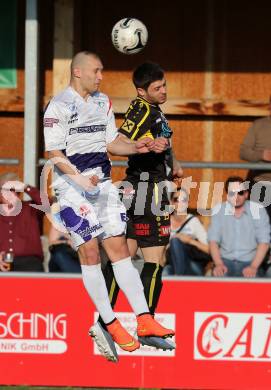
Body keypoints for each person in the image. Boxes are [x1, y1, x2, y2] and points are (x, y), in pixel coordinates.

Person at [43, 51, 175, 363]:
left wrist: (139, 146)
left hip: (102, 185)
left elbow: (111, 141)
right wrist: (78, 180)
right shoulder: (59, 104)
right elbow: (53, 151)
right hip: (71, 188)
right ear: (78, 72)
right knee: (90, 253)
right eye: (96, 71)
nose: (101, 77)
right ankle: (110, 324)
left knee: (119, 251)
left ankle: (143, 318)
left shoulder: (103, 101)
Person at [96, 62, 182, 351]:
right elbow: (119, 140)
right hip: (149, 190)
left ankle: (104, 324)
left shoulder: (154, 110)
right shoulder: (142, 109)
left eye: (164, 85)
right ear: (141, 90)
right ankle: (146, 325)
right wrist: (142, 145)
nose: (163, 91)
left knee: (125, 258)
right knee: (155, 259)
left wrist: (174, 163)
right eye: (157, 88)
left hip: (138, 188)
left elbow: (163, 143)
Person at [208, 176, 270, 277]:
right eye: (232, 193)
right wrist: (219, 264)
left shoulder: (258, 210)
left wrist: (253, 267)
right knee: (216, 283)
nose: (236, 196)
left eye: (240, 193)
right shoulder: (219, 210)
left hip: (251, 261)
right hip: (224, 261)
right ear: (227, 194)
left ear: (246, 194)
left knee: (255, 287)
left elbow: (264, 242)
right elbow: (213, 241)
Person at [0, 173, 44, 272]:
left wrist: (25, 187)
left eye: (12, 190)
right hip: (3, 262)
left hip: (30, 262)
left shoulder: (31, 208)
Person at [163, 188, 210, 276]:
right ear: (171, 203)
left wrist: (189, 241)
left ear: (187, 203)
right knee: (165, 272)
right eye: (176, 199)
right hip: (171, 264)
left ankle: (179, 279)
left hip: (192, 265)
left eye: (183, 200)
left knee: (175, 241)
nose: (180, 203)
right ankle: (179, 278)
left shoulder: (193, 221)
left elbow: (209, 249)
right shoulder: (164, 222)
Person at [240, 99, 271, 220]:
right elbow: (243, 152)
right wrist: (261, 155)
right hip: (261, 184)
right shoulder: (258, 125)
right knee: (260, 225)